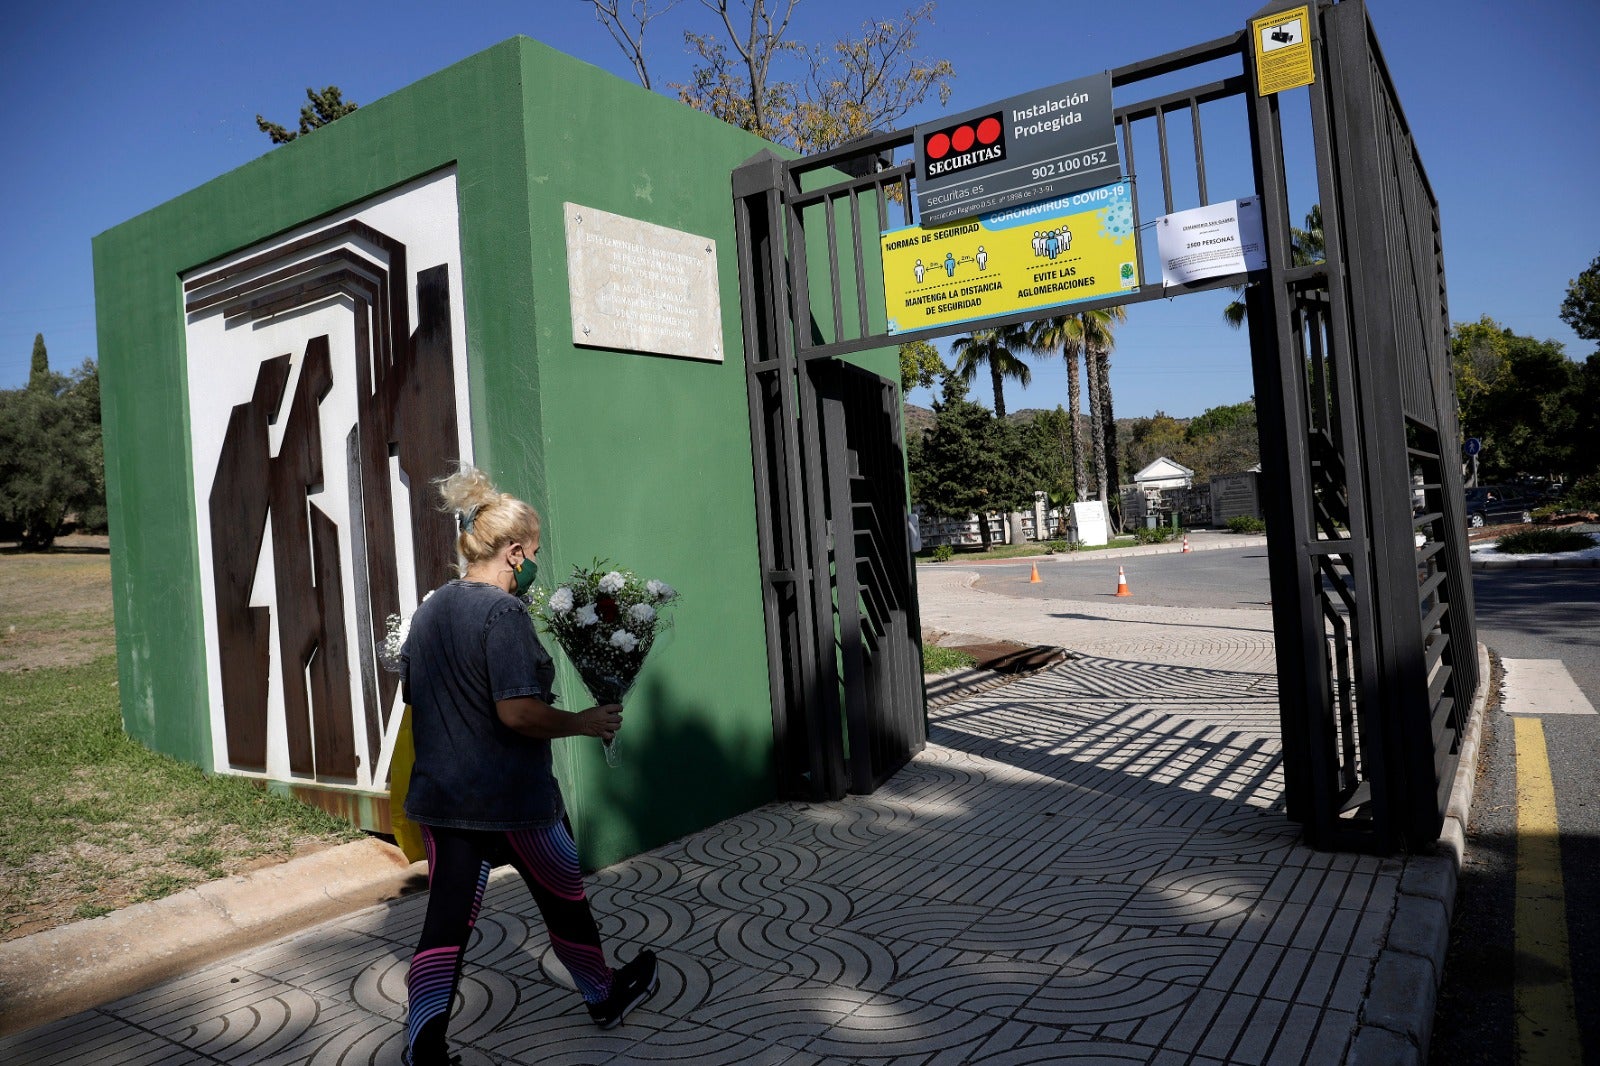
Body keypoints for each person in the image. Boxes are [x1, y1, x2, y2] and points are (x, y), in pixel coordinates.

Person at [399, 462, 657, 1066]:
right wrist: (583, 722)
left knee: (445, 926)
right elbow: (516, 713)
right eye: (533, 552)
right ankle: (603, 994)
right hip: (515, 803)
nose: (533, 564)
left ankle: (424, 1043)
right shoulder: (503, 614)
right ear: (514, 552)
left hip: (442, 801)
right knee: (565, 902)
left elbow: (420, 697)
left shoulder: (429, 609)